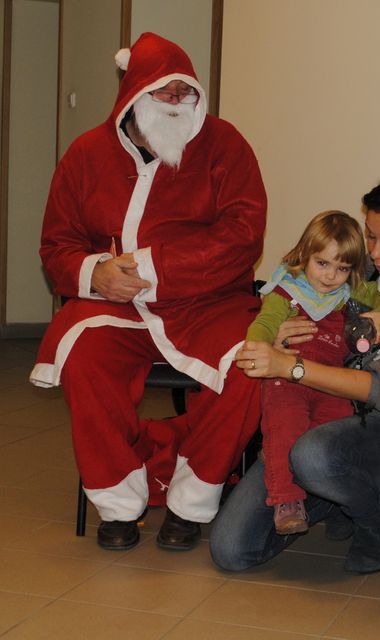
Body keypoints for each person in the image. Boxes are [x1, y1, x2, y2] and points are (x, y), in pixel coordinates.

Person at [29, 32, 267, 551]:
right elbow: (57, 245)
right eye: (165, 91)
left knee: (251, 363)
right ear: (135, 93)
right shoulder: (86, 154)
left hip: (208, 301)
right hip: (115, 305)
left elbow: (244, 234)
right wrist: (95, 273)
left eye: (187, 91)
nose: (177, 101)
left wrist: (156, 266)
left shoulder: (225, 144)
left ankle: (190, 499)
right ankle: (118, 501)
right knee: (82, 351)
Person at [210, 171, 380, 574]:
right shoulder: (354, 265)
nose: (375, 253)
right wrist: (278, 336)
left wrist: (292, 366)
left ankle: (372, 516)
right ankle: (331, 493)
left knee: (311, 454)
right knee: (232, 549)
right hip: (315, 408)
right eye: (370, 236)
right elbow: (284, 299)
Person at [246, 210, 380, 535]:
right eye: (322, 263)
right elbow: (264, 324)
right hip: (285, 382)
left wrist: (379, 314)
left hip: (329, 382)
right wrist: (258, 346)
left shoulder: (350, 292)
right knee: (287, 429)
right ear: (304, 255)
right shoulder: (286, 292)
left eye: (342, 268)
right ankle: (287, 501)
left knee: (334, 438)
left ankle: (333, 500)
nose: (330, 276)